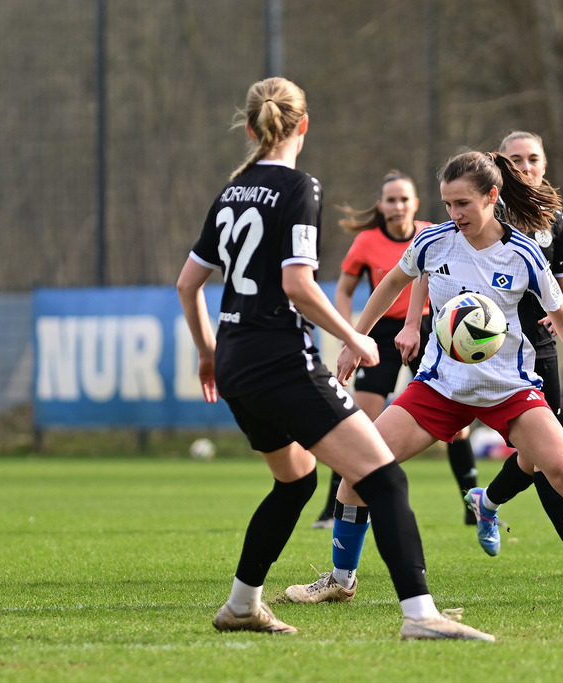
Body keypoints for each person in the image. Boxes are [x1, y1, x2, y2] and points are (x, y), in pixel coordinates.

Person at [175, 76, 493, 641]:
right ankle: (420, 616)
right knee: (385, 480)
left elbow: (188, 283)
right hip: (279, 361)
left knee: (296, 482)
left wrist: (207, 353)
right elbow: (297, 284)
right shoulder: (299, 187)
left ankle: (243, 605)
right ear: (303, 125)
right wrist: (356, 335)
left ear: (251, 129)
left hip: (235, 362)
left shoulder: (231, 191)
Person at [285, 149, 563, 606]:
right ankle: (341, 580)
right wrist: (353, 338)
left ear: (491, 196)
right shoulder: (432, 243)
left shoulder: (522, 254)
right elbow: (389, 284)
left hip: (510, 389)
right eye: (447, 204)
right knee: (358, 472)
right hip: (440, 388)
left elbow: (562, 319)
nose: (454, 213)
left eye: (463, 203)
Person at [451, 130, 563, 578]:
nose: (525, 166)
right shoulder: (483, 211)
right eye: (515, 158)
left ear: (545, 164)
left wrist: (562, 316)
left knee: (541, 454)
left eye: (533, 158)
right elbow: (430, 260)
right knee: (545, 455)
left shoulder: (552, 219)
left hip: (539, 347)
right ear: (499, 168)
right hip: (489, 348)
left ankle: (489, 500)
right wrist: (411, 325)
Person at [310, 171, 478, 529]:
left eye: (404, 198)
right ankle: (331, 508)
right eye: (391, 199)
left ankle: (473, 503)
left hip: (431, 329)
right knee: (360, 423)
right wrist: (349, 333)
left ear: (415, 204)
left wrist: (417, 325)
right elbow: (343, 290)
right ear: (381, 206)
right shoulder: (367, 242)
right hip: (383, 335)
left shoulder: (433, 232)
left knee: (456, 423)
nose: (398, 205)